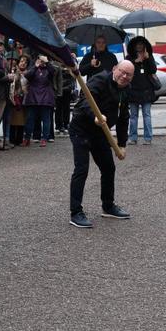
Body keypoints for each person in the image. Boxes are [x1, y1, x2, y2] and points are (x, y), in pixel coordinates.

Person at [68, 61, 133, 229]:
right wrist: (95, 116)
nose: (124, 76)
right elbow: (85, 101)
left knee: (108, 168)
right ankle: (76, 213)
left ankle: (108, 206)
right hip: (81, 129)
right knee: (82, 169)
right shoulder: (99, 80)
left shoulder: (125, 89)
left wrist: (122, 144)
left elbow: (123, 117)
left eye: (128, 74)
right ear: (114, 69)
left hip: (100, 133)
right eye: (122, 71)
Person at [126, 36, 158, 145]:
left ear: (144, 46)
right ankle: (133, 138)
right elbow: (125, 70)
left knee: (146, 114)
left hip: (146, 90)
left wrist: (147, 59)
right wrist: (136, 61)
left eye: (141, 44)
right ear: (134, 46)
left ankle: (148, 138)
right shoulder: (129, 57)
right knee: (133, 115)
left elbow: (153, 70)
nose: (139, 46)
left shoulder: (149, 56)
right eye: (137, 44)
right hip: (133, 90)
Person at [23, 54, 56, 147]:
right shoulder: (33, 68)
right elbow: (27, 76)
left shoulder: (49, 70)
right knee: (30, 118)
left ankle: (45, 138)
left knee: (46, 119)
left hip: (46, 96)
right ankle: (27, 138)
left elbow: (53, 71)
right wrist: (35, 66)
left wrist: (47, 62)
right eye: (40, 60)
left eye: (43, 60)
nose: (41, 62)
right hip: (33, 96)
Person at [9, 54, 29, 146]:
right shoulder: (13, 71)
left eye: (25, 62)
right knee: (13, 119)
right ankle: (12, 139)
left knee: (22, 120)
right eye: (21, 61)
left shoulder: (28, 73)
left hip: (24, 98)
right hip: (14, 97)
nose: (23, 64)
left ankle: (19, 139)